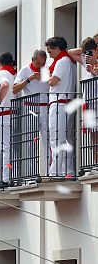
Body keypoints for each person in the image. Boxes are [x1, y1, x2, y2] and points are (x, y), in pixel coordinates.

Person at [45, 36, 77, 178]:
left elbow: (53, 82)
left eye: (50, 51)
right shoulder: (69, 61)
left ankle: (55, 171)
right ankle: (67, 170)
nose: (50, 55)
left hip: (58, 104)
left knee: (56, 137)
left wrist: (47, 75)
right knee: (66, 138)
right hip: (67, 103)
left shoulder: (61, 62)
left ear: (57, 48)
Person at [14, 50, 50, 162]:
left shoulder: (48, 70)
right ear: (32, 60)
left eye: (43, 64)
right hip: (30, 108)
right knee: (31, 140)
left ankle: (50, 171)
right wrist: (29, 79)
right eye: (38, 64)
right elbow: (15, 89)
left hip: (45, 106)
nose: (40, 67)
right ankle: (32, 174)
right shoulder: (25, 70)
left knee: (48, 138)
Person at [0, 52, 18, 187]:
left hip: (2, 115)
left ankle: (5, 179)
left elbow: (4, 86)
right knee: (1, 149)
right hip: (8, 114)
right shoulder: (11, 75)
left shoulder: (2, 74)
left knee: (4, 148)